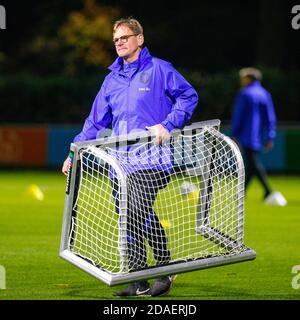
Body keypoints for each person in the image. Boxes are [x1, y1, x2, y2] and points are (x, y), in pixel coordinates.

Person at [62, 18, 198, 296]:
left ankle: (164, 268)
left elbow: (189, 96)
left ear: (140, 39)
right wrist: (73, 152)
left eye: (125, 37)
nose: (120, 42)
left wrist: (168, 125)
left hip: (153, 160)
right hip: (120, 165)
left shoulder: (160, 69)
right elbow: (95, 122)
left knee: (136, 210)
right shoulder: (111, 79)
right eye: (116, 40)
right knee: (127, 217)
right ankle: (138, 281)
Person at [231, 67, 286, 206]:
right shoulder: (265, 94)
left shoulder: (245, 94)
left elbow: (238, 116)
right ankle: (242, 194)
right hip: (258, 135)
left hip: (245, 135)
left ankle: (268, 191)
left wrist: (234, 134)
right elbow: (270, 117)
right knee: (251, 163)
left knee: (252, 163)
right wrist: (270, 136)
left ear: (249, 78)